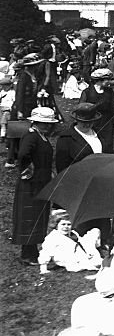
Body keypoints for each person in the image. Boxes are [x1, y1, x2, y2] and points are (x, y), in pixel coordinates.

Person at [12, 106, 60, 264]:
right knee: (29, 216)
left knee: (37, 216)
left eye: (48, 123)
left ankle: (32, 251)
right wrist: (29, 170)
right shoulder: (31, 136)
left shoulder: (41, 135)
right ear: (35, 122)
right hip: (32, 184)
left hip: (41, 183)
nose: (47, 125)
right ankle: (27, 254)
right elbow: (23, 154)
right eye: (43, 123)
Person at [38, 209, 103, 272]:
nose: (66, 227)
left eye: (69, 224)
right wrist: (43, 268)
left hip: (78, 254)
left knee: (95, 231)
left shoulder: (73, 233)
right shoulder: (53, 237)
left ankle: (95, 254)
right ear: (56, 226)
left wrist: (87, 252)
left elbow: (80, 244)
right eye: (63, 224)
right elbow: (45, 252)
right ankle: (91, 262)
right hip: (67, 258)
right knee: (84, 265)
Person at [80, 67, 114, 153]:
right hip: (92, 122)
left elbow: (113, 109)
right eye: (107, 80)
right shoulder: (87, 92)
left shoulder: (109, 92)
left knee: (107, 145)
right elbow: (81, 109)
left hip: (107, 123)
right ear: (100, 80)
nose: (109, 82)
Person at [54, 102, 104, 173]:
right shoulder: (66, 139)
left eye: (91, 122)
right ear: (77, 120)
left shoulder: (100, 134)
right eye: (83, 122)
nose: (87, 125)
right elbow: (61, 168)